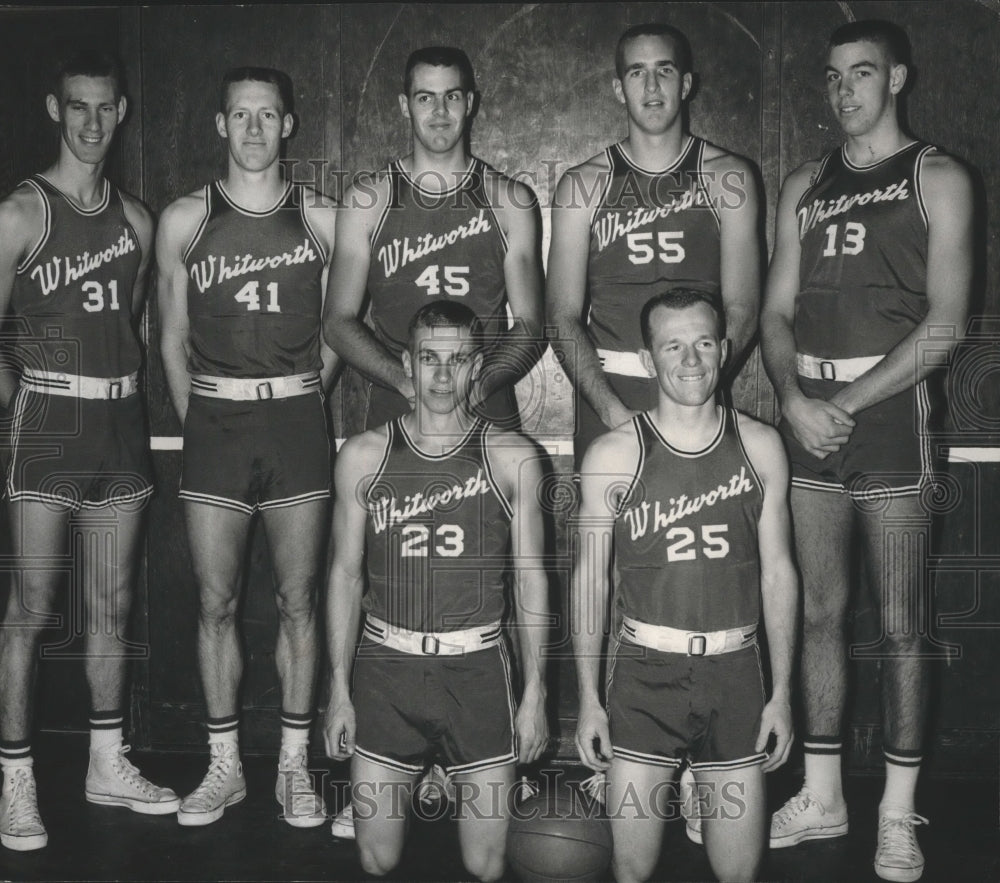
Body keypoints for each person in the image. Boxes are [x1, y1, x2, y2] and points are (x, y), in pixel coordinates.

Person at [760, 20, 973, 883]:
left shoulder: (939, 177)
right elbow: (775, 309)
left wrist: (839, 403)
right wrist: (790, 398)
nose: (844, 89)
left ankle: (895, 810)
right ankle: (821, 795)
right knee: (815, 613)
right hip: (807, 415)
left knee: (899, 627)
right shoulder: (804, 183)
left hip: (885, 419)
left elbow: (949, 324)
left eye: (861, 73)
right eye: (833, 75)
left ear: (898, 79)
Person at [0, 51, 178, 852]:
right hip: (50, 422)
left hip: (119, 425)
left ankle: (107, 762)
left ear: (123, 111)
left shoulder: (137, 221)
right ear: (54, 108)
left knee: (111, 611)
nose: (92, 122)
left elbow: (131, 324)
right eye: (78, 107)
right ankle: (15, 780)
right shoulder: (19, 215)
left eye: (105, 108)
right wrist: (26, 409)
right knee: (32, 612)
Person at [156, 67, 337, 827]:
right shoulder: (184, 220)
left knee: (300, 600)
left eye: (269, 116)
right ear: (221, 126)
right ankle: (223, 765)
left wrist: (300, 397)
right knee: (215, 600)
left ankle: (293, 769)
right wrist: (202, 417)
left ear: (288, 125)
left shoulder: (323, 219)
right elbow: (169, 339)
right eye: (242, 116)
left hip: (296, 418)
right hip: (217, 427)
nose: (256, 129)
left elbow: (337, 332)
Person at [573, 290, 796, 882]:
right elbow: (590, 582)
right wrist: (589, 701)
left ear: (723, 351)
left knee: (737, 872)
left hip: (735, 673)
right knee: (633, 868)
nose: (691, 359)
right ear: (649, 360)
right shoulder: (612, 456)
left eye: (703, 343)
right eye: (673, 345)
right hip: (645, 676)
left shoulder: (762, 446)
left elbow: (779, 575)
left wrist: (782, 694)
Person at [323, 300, 548, 881]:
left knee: (486, 864)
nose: (443, 376)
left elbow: (530, 581)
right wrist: (339, 691)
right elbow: (345, 575)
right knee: (376, 858)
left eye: (458, 360)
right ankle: (424, 774)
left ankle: (446, 774)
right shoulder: (363, 456)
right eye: (429, 359)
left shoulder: (513, 458)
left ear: (478, 368)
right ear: (408, 363)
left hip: (476, 670)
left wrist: (536, 694)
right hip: (386, 667)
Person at [546, 22, 761, 469]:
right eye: (636, 72)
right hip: (611, 389)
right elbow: (561, 314)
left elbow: (744, 305)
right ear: (618, 88)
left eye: (664, 70)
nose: (651, 85)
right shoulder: (582, 184)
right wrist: (610, 411)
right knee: (607, 536)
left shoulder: (728, 177)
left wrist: (698, 384)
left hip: (697, 386)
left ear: (685, 84)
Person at [322, 45, 542, 432]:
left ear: (469, 102)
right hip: (398, 402)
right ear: (405, 106)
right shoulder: (367, 202)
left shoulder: (509, 200)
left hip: (485, 402)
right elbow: (337, 322)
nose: (439, 112)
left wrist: (473, 390)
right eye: (425, 98)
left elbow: (530, 324)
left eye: (451, 96)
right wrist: (408, 385)